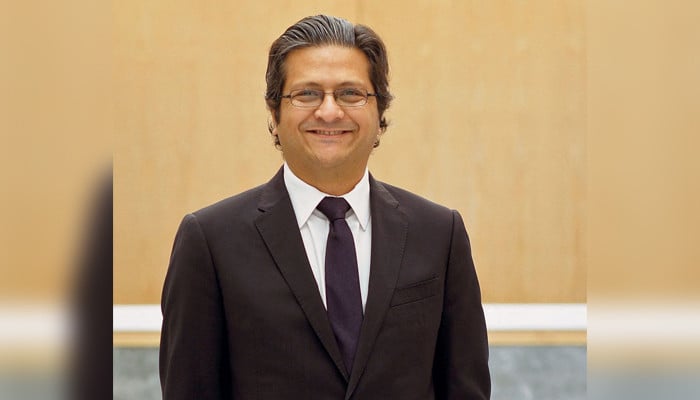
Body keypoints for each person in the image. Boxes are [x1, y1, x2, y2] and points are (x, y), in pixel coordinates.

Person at [159, 14, 491, 400]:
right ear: (274, 113)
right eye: (307, 94)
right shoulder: (210, 241)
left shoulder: (438, 234)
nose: (330, 112)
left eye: (351, 93)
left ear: (380, 113)